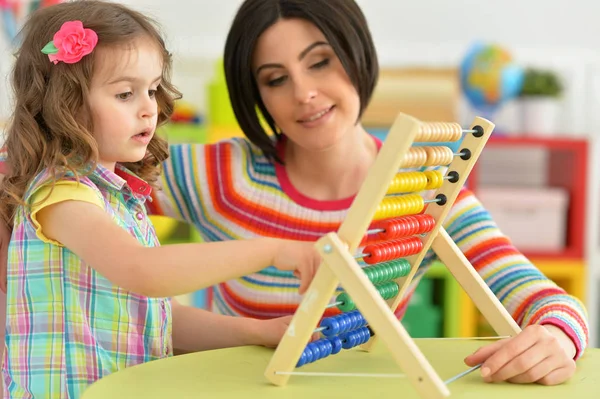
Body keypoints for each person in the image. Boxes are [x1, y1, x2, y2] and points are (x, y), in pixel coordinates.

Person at [0, 0, 587, 389]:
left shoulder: (425, 185)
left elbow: (532, 291)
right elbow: (46, 182)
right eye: (275, 79)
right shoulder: (218, 175)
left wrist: (560, 337)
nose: (304, 94)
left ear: (356, 56)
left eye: (320, 63)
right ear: (255, 93)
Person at [0, 1, 321, 397]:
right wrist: (269, 251)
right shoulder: (61, 197)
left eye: (152, 90)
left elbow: (155, 318)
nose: (149, 108)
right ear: (65, 103)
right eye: (124, 94)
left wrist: (257, 330)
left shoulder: (118, 199)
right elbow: (145, 272)